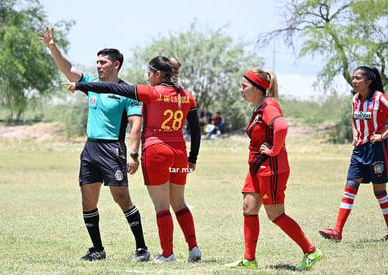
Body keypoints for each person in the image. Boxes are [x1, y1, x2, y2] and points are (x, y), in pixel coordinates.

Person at [63, 56, 202, 263]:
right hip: (180, 154)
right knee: (180, 203)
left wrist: (79, 85)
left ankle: (167, 254)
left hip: (157, 152)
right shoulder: (186, 96)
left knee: (162, 206)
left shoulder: (151, 92)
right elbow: (196, 129)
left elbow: (112, 89)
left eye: (149, 73)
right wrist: (193, 157)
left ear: (157, 74)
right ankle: (194, 249)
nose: (147, 77)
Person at [39, 27, 149, 262]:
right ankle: (97, 249)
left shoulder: (128, 92)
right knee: (88, 199)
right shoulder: (90, 84)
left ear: (116, 65)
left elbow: (136, 125)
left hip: (113, 149)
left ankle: (142, 248)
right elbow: (68, 70)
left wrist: (133, 154)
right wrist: (52, 47)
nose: (98, 66)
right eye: (97, 62)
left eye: (103, 62)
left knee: (121, 198)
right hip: (90, 149)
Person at [225, 68, 323, 271]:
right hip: (256, 166)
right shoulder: (259, 106)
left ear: (258, 88)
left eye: (244, 86)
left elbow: (282, 127)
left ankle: (311, 251)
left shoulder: (269, 106)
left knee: (275, 214)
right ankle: (249, 259)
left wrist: (274, 149)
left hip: (271, 168)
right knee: (249, 208)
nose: (240, 90)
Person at [319, 66, 388, 242]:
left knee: (380, 192)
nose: (354, 81)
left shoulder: (380, 98)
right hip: (359, 151)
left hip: (377, 150)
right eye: (353, 78)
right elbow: (353, 118)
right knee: (349, 188)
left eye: (358, 78)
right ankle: (337, 232)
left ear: (368, 81)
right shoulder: (355, 99)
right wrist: (355, 133)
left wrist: (383, 135)